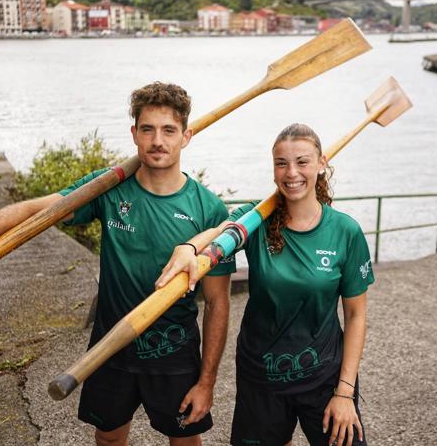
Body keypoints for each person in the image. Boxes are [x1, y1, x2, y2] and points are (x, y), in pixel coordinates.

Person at [0, 82, 235, 446]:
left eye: (168, 130)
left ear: (187, 136)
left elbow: (218, 303)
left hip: (174, 355)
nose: (157, 141)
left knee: (184, 442)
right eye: (147, 129)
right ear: (134, 134)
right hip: (110, 348)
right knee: (108, 439)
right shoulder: (109, 187)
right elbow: (37, 209)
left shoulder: (208, 208)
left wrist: (207, 382)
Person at [156, 123, 374, 446]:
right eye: (281, 163)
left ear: (321, 163)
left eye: (302, 162)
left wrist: (345, 392)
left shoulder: (345, 231)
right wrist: (189, 249)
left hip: (324, 378)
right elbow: (220, 233)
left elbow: (356, 316)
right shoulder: (256, 220)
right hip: (262, 378)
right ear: (273, 169)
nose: (291, 173)